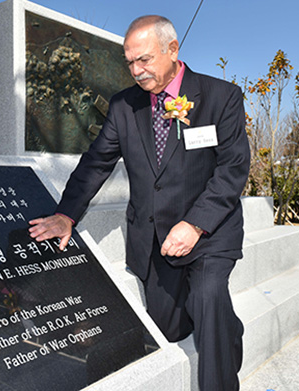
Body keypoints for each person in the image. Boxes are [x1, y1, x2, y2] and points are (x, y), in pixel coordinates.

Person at [29, 15, 250, 391]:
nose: (136, 70)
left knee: (209, 297)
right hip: (154, 239)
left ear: (173, 50)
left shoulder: (221, 97)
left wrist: (195, 224)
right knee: (171, 326)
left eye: (144, 60)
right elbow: (96, 162)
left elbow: (232, 169)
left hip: (210, 232)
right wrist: (66, 214)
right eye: (129, 62)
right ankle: (229, 327)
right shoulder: (123, 106)